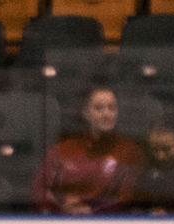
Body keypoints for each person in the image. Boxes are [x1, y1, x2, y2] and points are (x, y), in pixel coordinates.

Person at [33, 87, 142, 215]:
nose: (107, 114)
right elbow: (40, 191)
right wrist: (61, 207)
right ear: (86, 112)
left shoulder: (128, 151)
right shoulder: (62, 150)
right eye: (99, 108)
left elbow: (126, 194)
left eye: (112, 108)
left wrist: (91, 208)